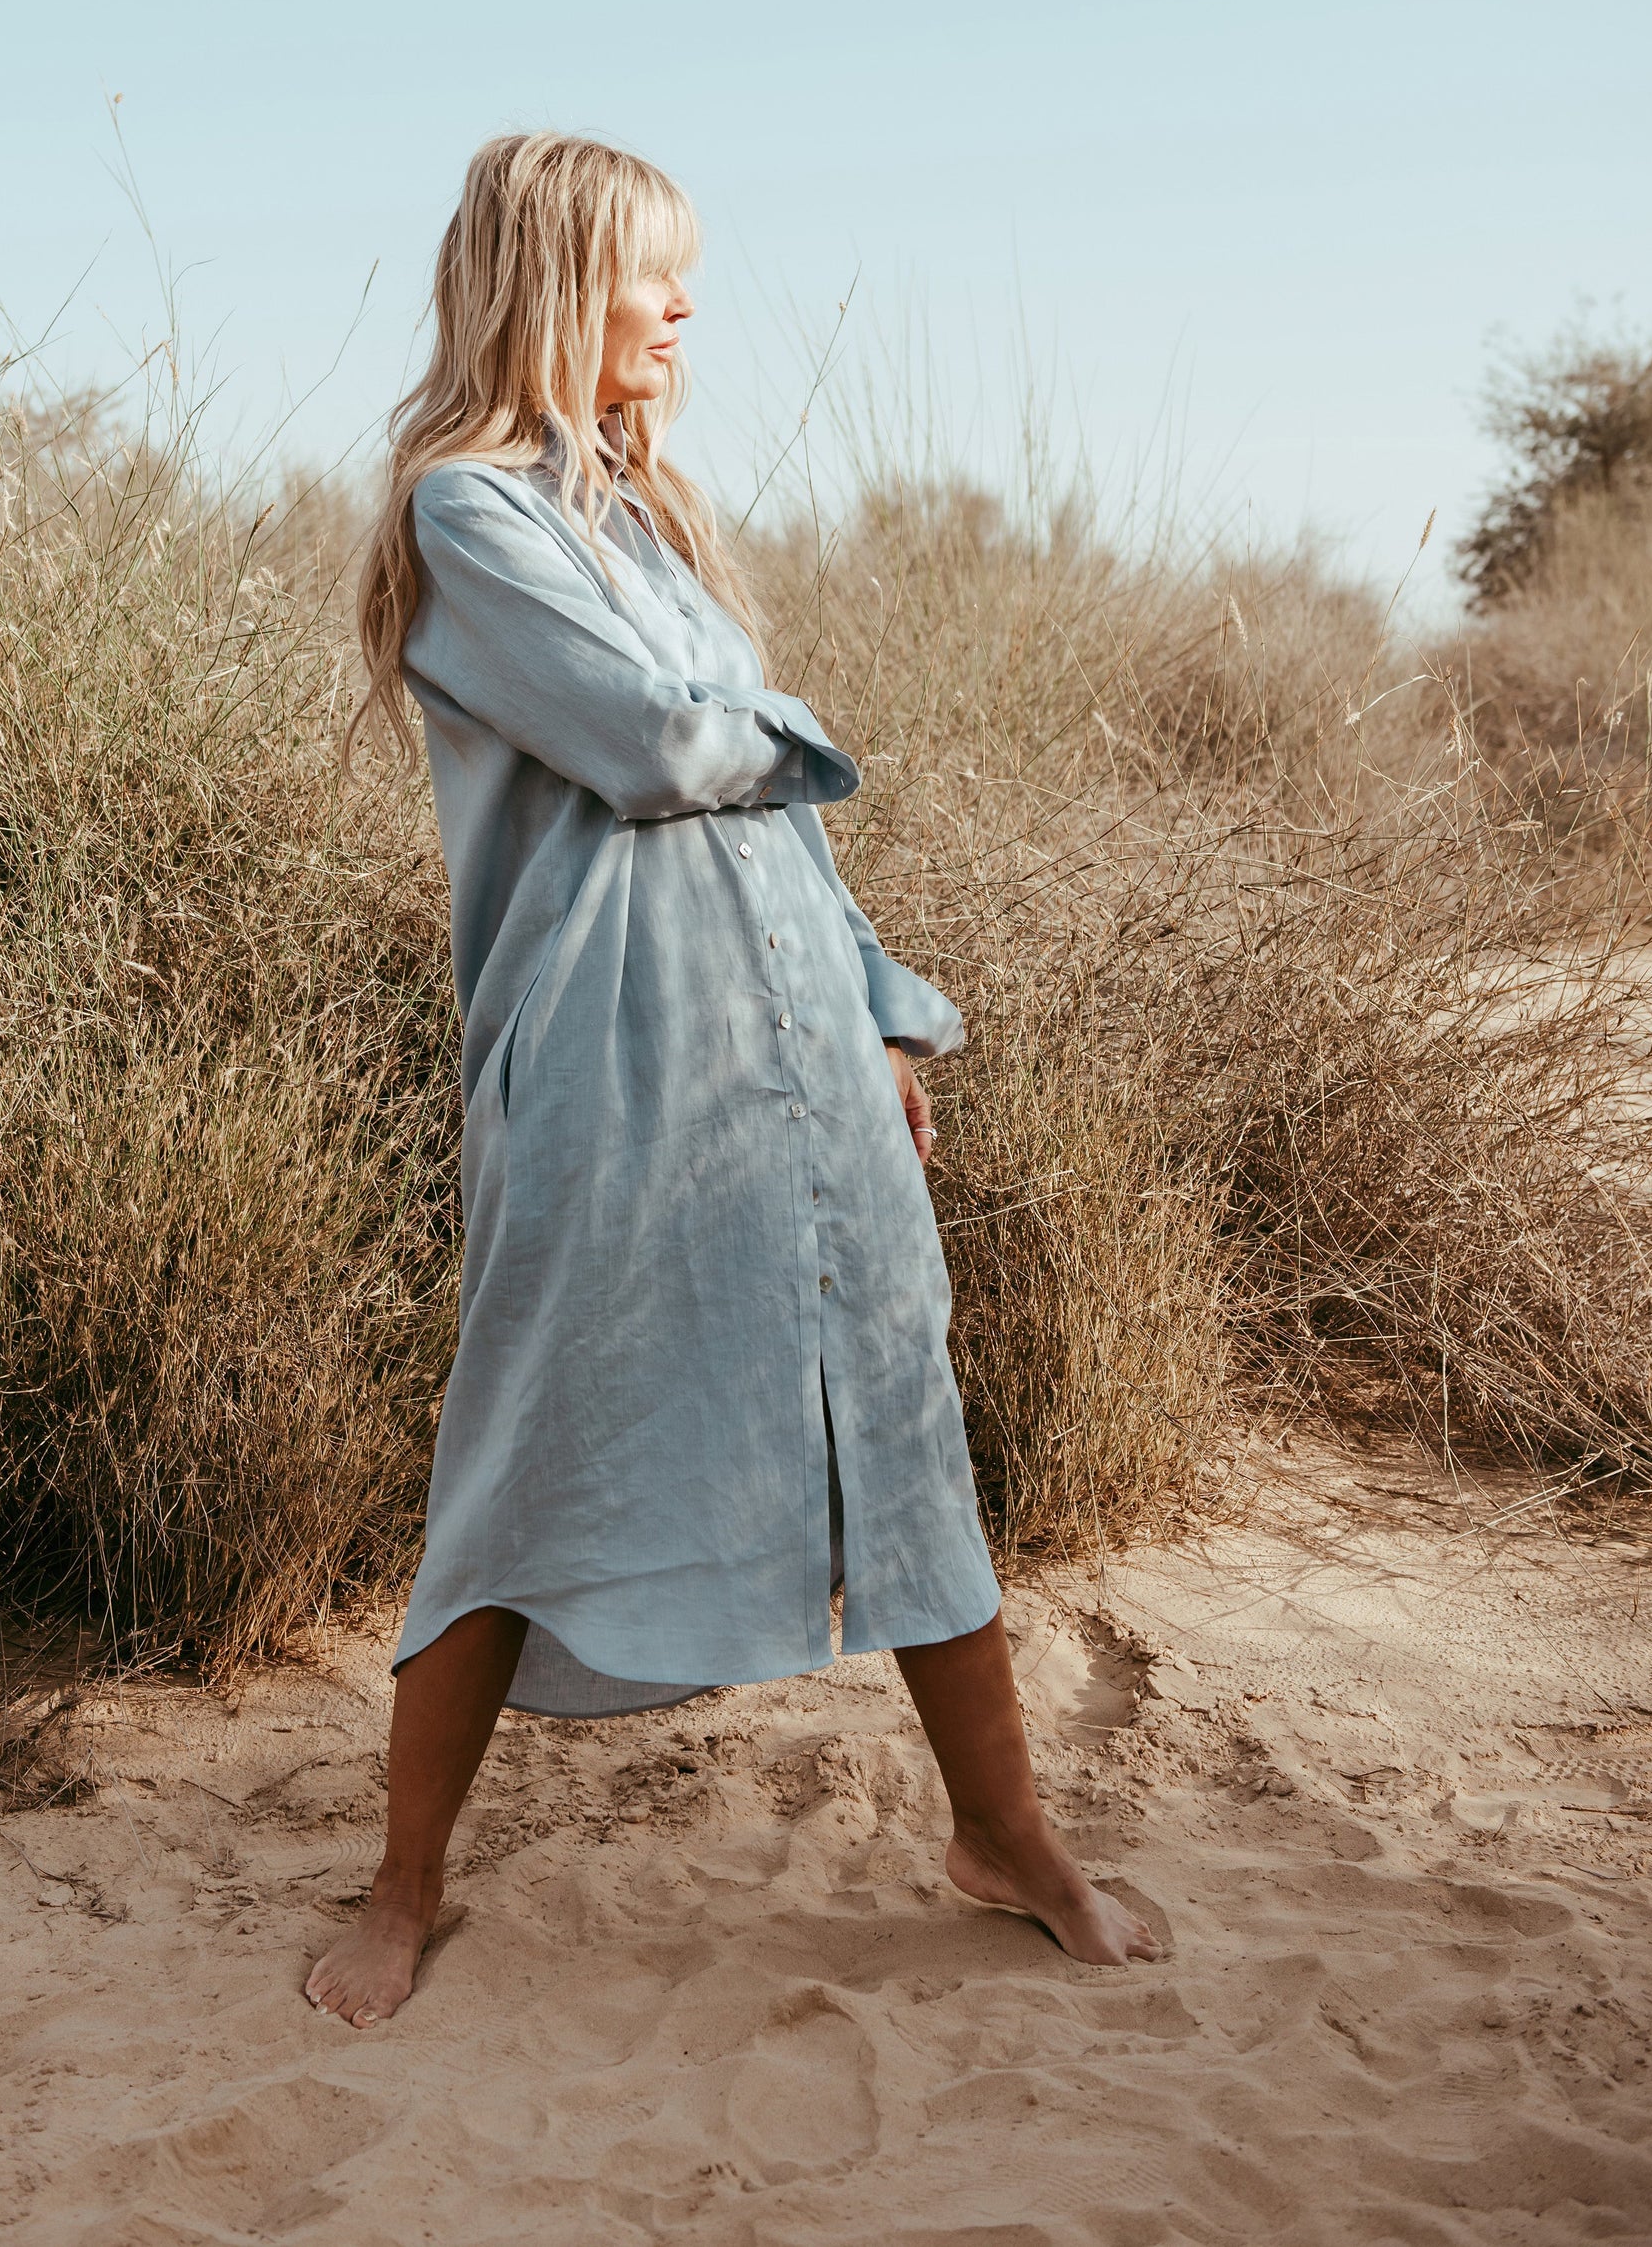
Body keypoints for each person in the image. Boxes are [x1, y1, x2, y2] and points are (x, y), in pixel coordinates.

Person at [307, 134, 1157, 2027]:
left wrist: (872, 1010)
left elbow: (781, 831)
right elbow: (657, 748)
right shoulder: (467, 518)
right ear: (551, 285)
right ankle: (402, 1885)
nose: (684, 306)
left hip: (800, 1054)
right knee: (531, 1429)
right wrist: (789, 726)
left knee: (899, 1412)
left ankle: (1007, 1835)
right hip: (611, 1058)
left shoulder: (657, 520)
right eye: (650, 271)